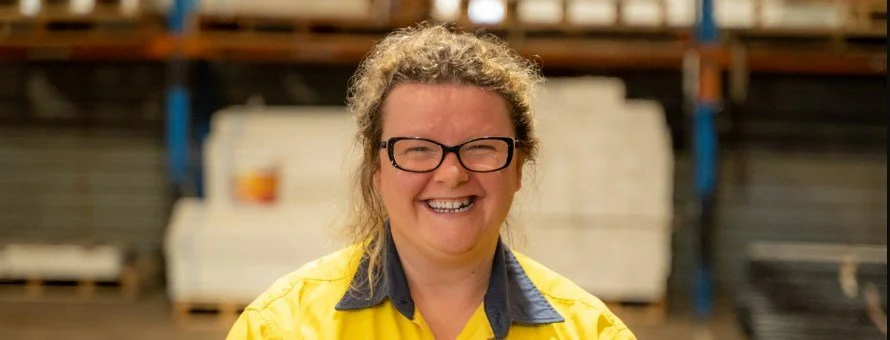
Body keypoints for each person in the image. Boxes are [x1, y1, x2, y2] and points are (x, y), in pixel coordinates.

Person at [226, 24, 636, 339]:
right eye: (419, 149)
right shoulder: (281, 327)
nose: (453, 174)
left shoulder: (591, 331)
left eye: (481, 147)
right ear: (377, 170)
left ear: (519, 167)